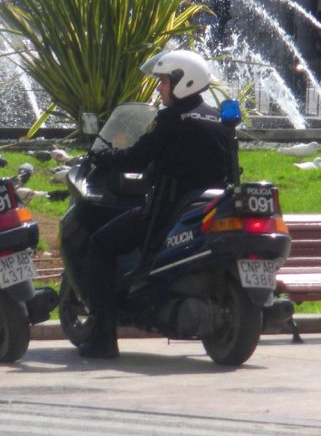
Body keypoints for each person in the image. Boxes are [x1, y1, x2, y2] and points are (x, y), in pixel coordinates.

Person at [79, 50, 232, 359]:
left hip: (166, 211)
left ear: (182, 82)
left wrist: (102, 155)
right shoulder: (218, 119)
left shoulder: (170, 119)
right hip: (207, 209)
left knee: (100, 244)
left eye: (163, 82)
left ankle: (102, 337)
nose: (159, 88)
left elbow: (136, 157)